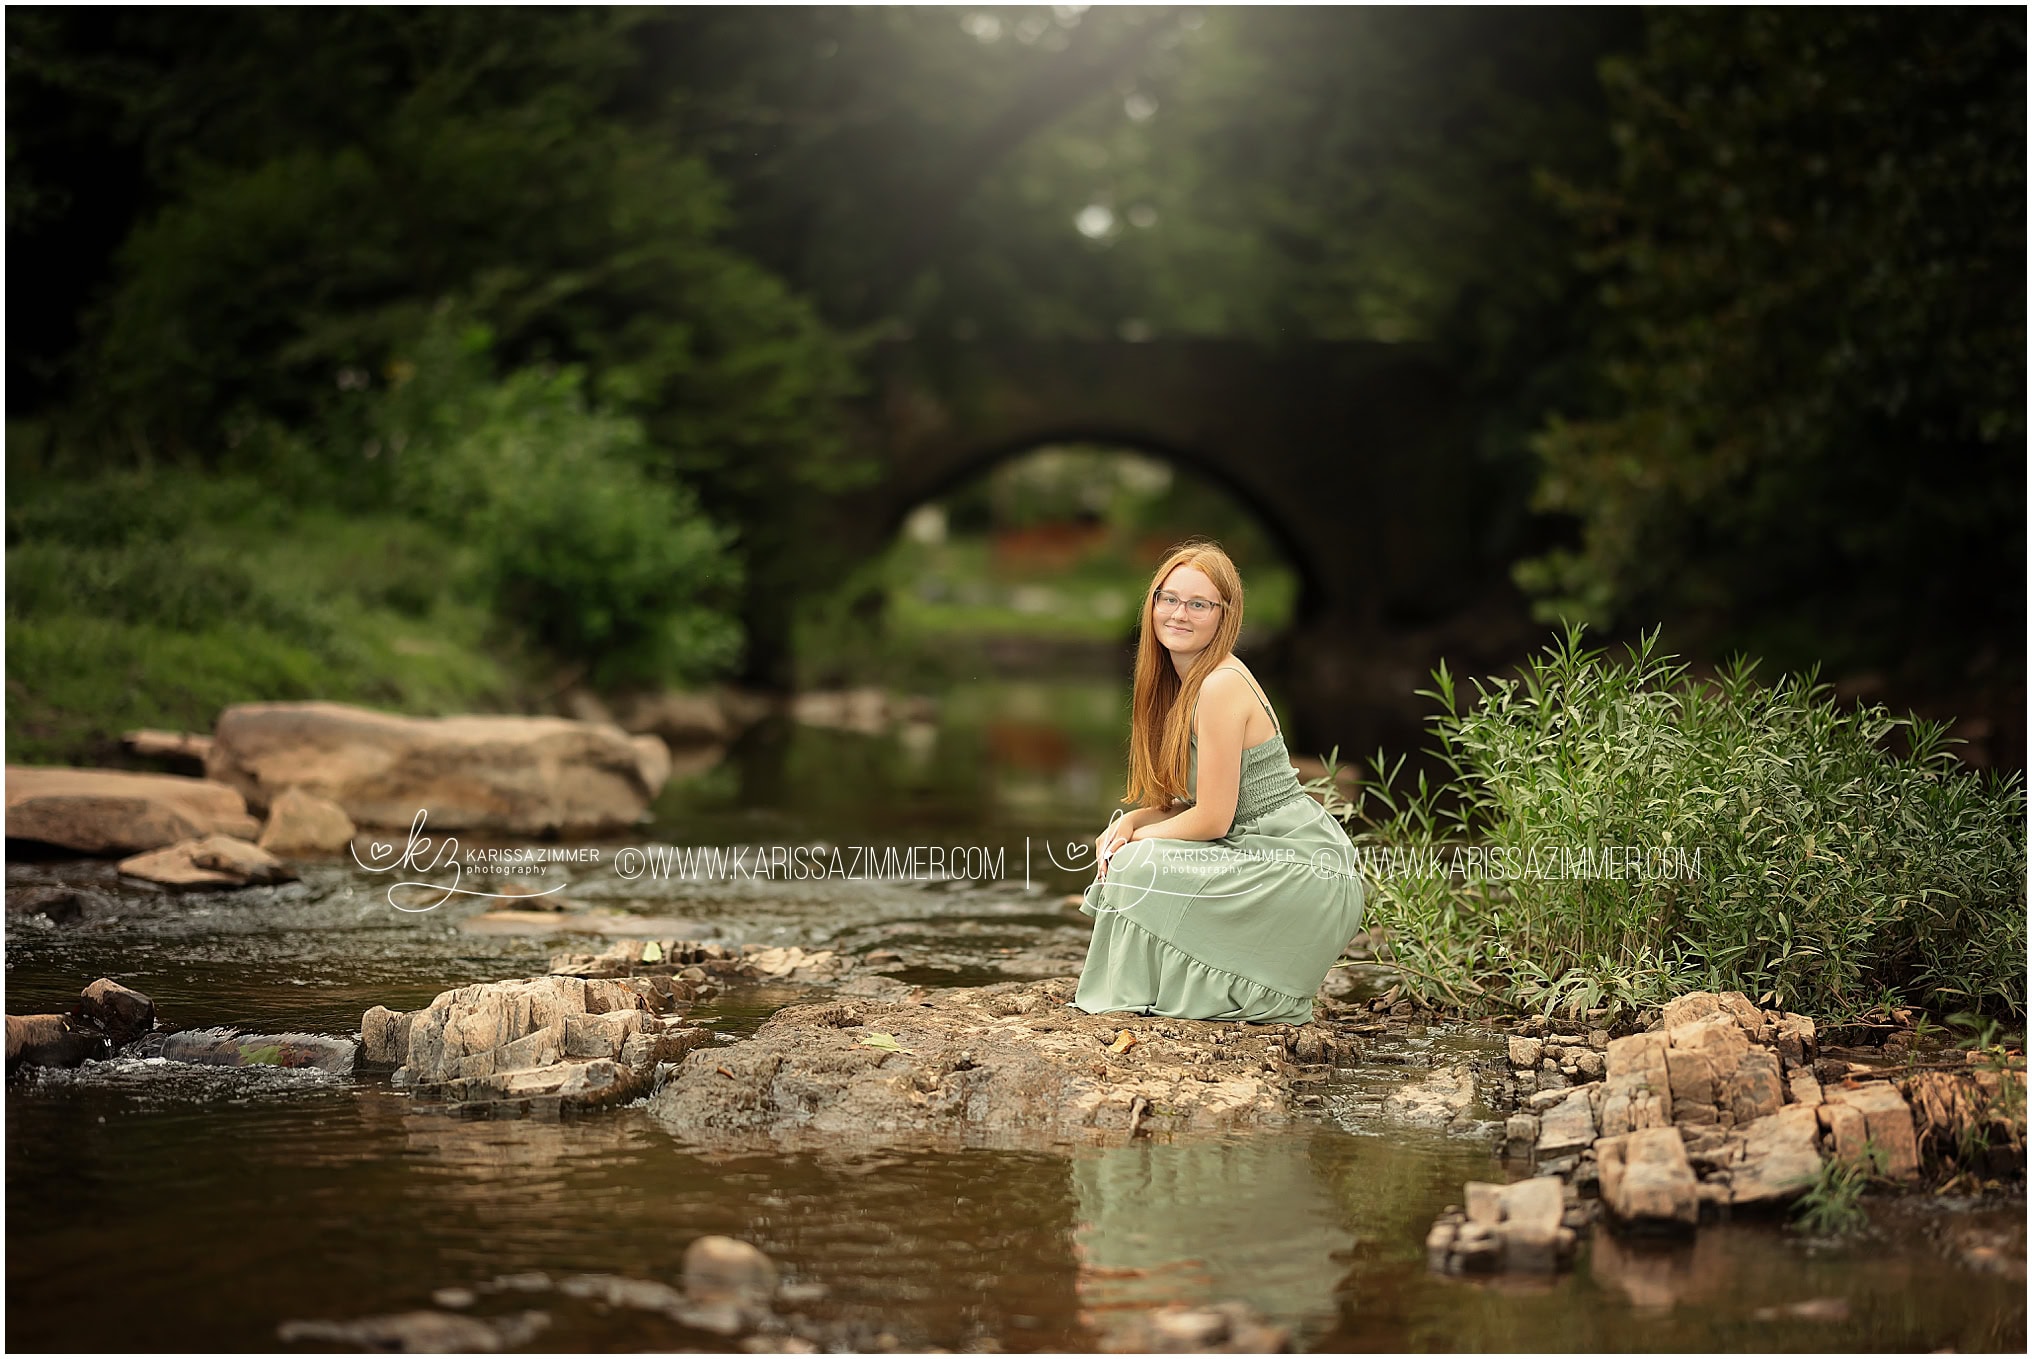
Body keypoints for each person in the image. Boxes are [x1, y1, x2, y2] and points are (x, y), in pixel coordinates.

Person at [1071, 539, 1366, 1025]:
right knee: (1132, 854)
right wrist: (1128, 823)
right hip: (1251, 848)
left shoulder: (1219, 685)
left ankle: (1198, 990)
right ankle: (1160, 989)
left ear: (1223, 615)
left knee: (1138, 864)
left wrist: (1137, 842)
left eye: (1198, 604)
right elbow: (1187, 801)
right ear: (1152, 605)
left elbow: (1212, 818)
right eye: (1168, 598)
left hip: (1301, 868)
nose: (1178, 613)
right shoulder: (1180, 684)